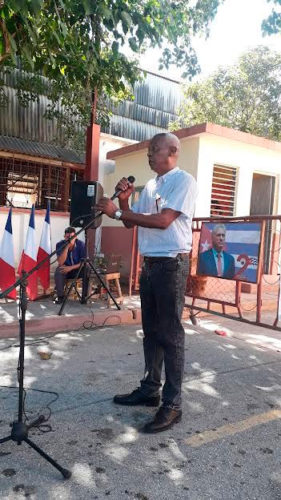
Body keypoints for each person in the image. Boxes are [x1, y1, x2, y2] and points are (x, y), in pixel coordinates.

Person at [96, 132, 197, 433]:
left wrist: (119, 211)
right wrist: (125, 204)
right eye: (149, 151)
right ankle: (150, 389)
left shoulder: (183, 181)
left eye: (155, 150)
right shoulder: (151, 185)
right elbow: (132, 222)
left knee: (170, 334)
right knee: (151, 331)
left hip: (171, 264)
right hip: (151, 264)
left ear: (173, 151)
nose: (150, 155)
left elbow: (164, 220)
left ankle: (173, 404)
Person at [54, 226, 86, 304]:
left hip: (77, 269)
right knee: (58, 271)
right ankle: (60, 296)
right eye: (68, 237)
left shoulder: (81, 244)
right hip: (66, 270)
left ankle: (85, 297)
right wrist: (67, 247)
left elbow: (84, 262)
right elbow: (61, 262)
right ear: (65, 237)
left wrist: (71, 268)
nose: (70, 239)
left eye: (72, 237)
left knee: (87, 269)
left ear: (76, 236)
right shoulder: (59, 245)